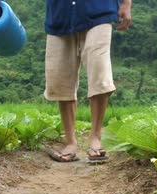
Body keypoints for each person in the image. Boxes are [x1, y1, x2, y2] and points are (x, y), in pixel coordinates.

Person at [43, 0, 132, 162]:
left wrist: (126, 3)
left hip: (98, 10)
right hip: (59, 16)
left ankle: (95, 138)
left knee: (99, 72)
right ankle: (70, 142)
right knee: (60, 79)